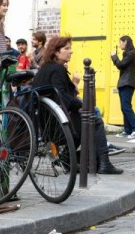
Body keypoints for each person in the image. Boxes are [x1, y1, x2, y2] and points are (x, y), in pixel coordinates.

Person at [32, 36, 123, 174]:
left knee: (87, 119)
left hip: (46, 123)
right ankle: (104, 163)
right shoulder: (57, 69)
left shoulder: (46, 68)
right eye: (66, 48)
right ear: (56, 52)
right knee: (95, 121)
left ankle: (68, 159)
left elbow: (59, 94)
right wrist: (81, 104)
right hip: (57, 124)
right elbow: (61, 96)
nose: (71, 51)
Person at [111, 35, 135, 139]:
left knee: (126, 107)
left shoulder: (131, 53)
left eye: (120, 42)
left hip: (128, 83)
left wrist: (114, 56)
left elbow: (120, 65)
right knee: (124, 107)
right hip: (124, 83)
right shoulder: (128, 53)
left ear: (125, 42)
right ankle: (127, 130)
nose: (119, 45)